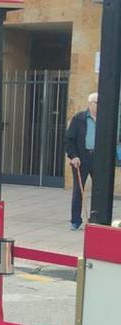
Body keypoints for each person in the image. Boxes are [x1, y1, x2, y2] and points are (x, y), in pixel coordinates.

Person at [64, 92, 99, 231]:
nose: (99, 105)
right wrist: (73, 156)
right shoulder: (79, 118)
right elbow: (69, 139)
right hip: (81, 157)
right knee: (79, 189)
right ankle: (76, 220)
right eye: (97, 103)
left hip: (97, 158)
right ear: (90, 104)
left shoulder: (104, 119)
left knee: (99, 190)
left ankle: (95, 218)